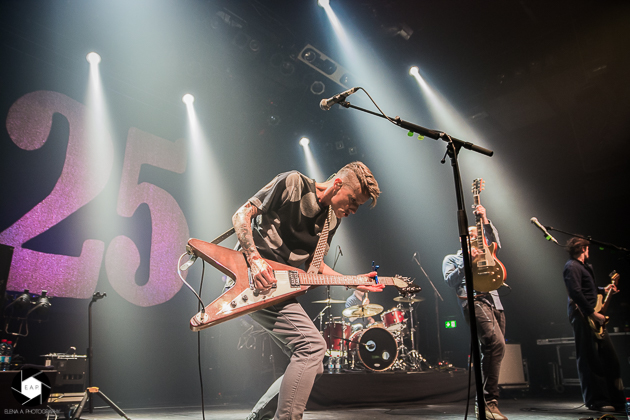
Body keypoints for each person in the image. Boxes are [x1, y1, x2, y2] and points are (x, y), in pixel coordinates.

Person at [234, 162, 384, 420]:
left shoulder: (331, 220)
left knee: (313, 364)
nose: (354, 210)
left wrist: (353, 281)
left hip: (279, 289)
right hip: (251, 279)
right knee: (312, 348)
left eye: (358, 206)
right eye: (353, 201)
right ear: (337, 184)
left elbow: (315, 267)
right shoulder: (294, 182)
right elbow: (242, 214)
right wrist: (255, 260)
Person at [442, 205, 508, 420]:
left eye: (477, 234)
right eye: (470, 234)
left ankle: (485, 405)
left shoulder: (487, 252)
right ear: (462, 239)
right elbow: (450, 281)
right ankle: (489, 402)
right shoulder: (452, 259)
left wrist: (484, 219)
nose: (475, 237)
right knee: (496, 344)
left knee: (493, 350)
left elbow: (495, 241)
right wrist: (467, 263)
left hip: (494, 301)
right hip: (473, 300)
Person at [562, 237, 625, 413]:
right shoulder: (571, 266)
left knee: (610, 359)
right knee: (591, 359)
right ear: (583, 248)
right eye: (588, 249)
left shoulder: (585, 267)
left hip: (593, 316)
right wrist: (593, 313)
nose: (589, 251)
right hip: (583, 315)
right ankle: (597, 401)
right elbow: (575, 292)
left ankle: (616, 400)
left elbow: (588, 289)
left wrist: (604, 290)